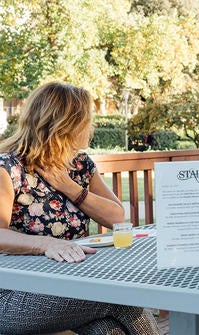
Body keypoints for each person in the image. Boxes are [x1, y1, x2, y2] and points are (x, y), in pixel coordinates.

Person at [0, 82, 160, 334]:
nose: (92, 127)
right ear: (65, 125)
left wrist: (70, 187)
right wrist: (46, 243)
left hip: (72, 285)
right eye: (87, 120)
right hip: (16, 293)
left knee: (108, 330)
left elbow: (117, 216)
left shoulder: (80, 165)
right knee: (121, 294)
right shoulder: (9, 167)